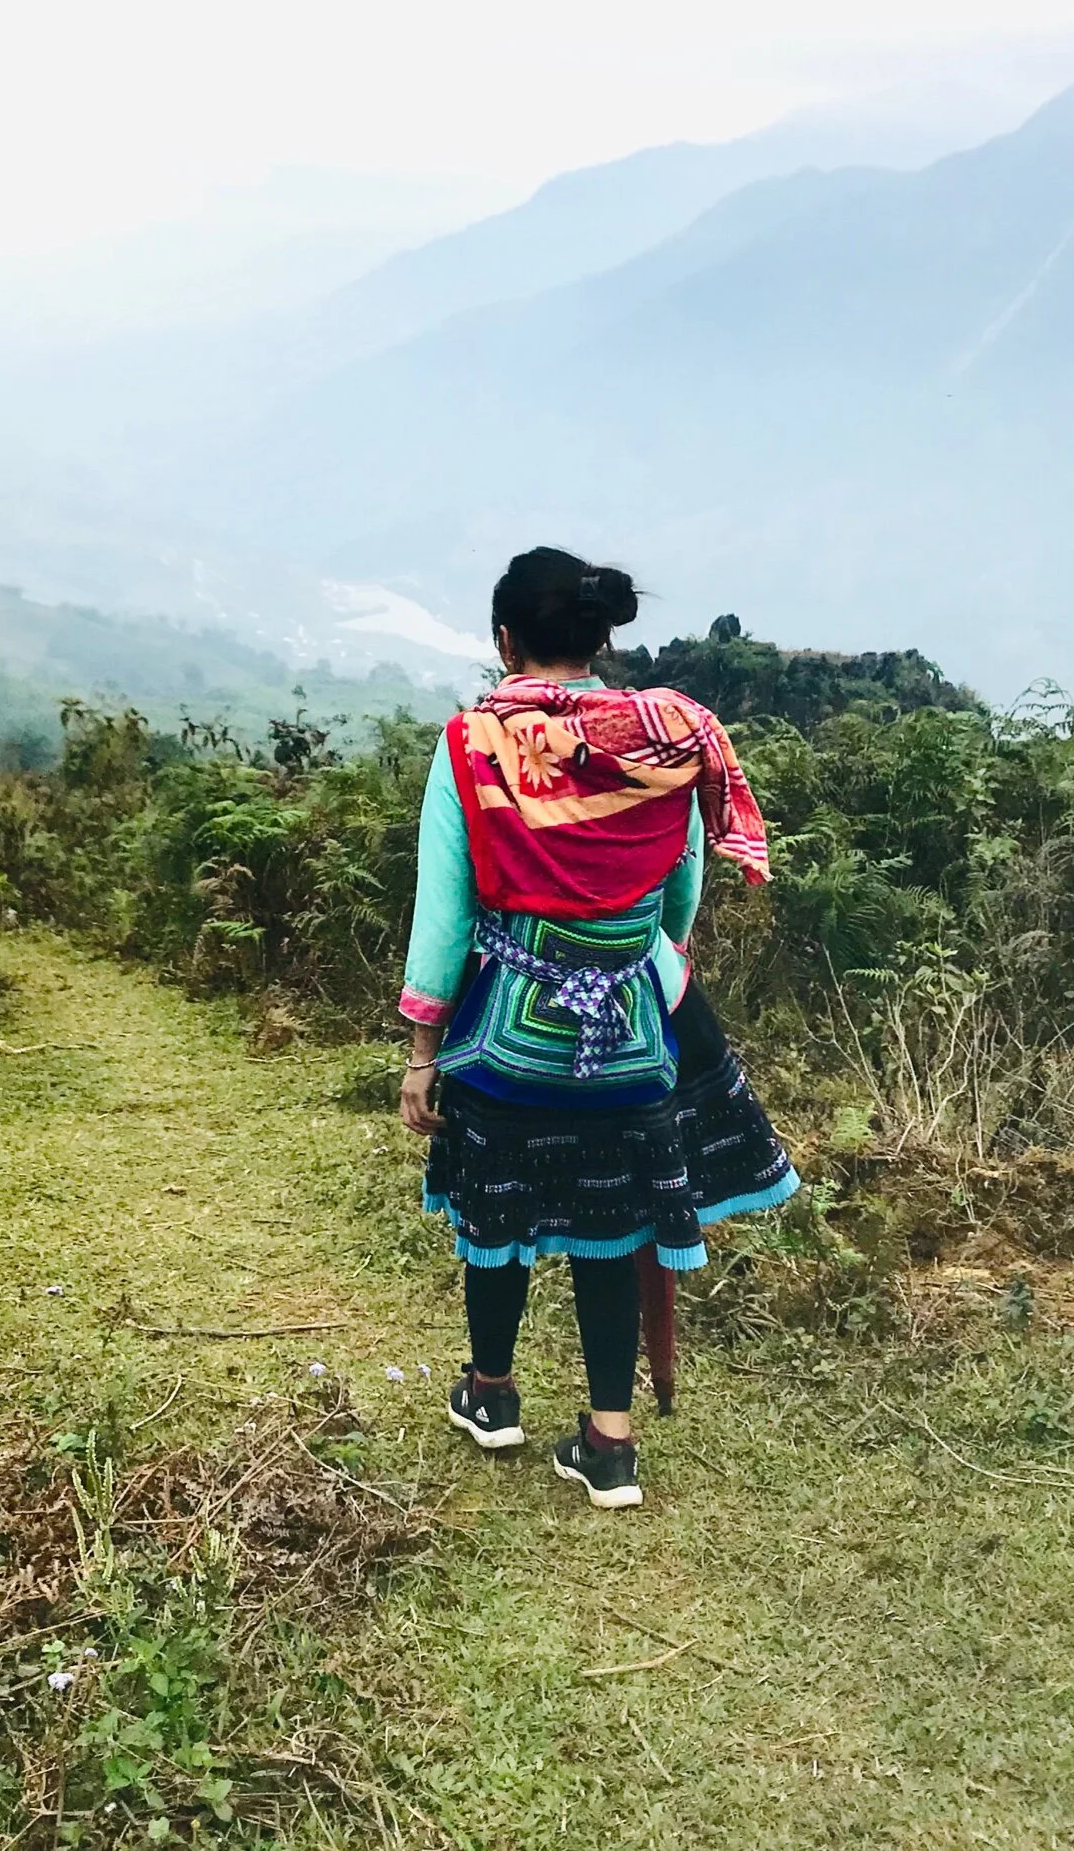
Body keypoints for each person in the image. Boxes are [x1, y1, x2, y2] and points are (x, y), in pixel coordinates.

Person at [399, 547, 800, 1509]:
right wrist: (622, 944)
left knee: (494, 1213)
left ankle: (491, 1396)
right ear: (600, 638)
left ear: (505, 639)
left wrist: (422, 1053)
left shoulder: (470, 746)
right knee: (612, 1225)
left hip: (508, 1037)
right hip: (628, 1037)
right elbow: (680, 899)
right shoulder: (671, 739)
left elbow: (445, 915)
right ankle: (609, 1444)